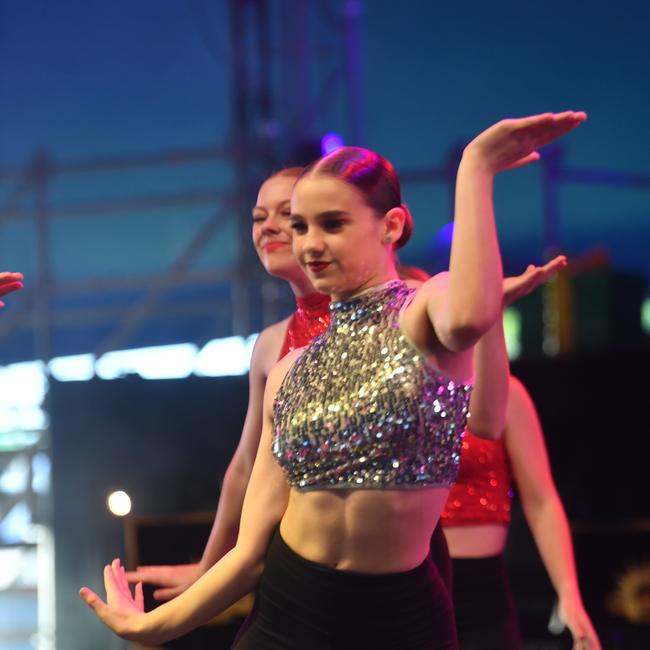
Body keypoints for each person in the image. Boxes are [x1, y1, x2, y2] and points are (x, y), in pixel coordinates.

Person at [80, 111, 586, 649]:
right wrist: (149, 628)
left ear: (390, 225)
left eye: (332, 224)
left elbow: (469, 314)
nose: (310, 243)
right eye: (300, 226)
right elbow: (251, 552)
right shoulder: (289, 368)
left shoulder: (424, 311)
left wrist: (476, 168)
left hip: (401, 619)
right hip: (290, 612)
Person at [442, 309, 601, 650]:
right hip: (408, 583)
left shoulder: (505, 394)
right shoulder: (397, 404)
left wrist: (568, 591)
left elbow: (541, 499)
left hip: (481, 594)